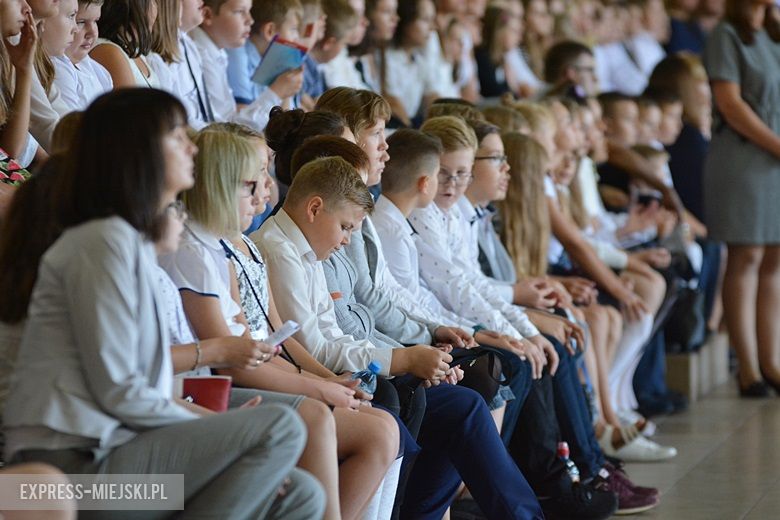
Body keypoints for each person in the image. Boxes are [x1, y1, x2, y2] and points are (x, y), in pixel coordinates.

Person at [0, 88, 325, 519]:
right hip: (77, 474)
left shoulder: (125, 244)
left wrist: (220, 435)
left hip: (117, 459)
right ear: (138, 153)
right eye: (176, 137)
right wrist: (215, 430)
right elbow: (122, 392)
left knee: (303, 494)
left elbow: (140, 390)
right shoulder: (100, 242)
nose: (192, 146)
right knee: (281, 427)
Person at [703, 0, 780, 397]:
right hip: (745, 158)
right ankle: (747, 367)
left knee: (774, 260)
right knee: (746, 255)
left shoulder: (775, 30)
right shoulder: (727, 34)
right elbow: (731, 105)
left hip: (775, 160)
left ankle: (773, 361)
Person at [52, 0, 113, 112]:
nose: (92, 32)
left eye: (95, 21)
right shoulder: (57, 67)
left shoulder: (97, 70)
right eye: (80, 22)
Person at [91, 0, 160, 88]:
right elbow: (129, 101)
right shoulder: (109, 51)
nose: (155, 5)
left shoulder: (132, 49)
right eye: (147, 25)